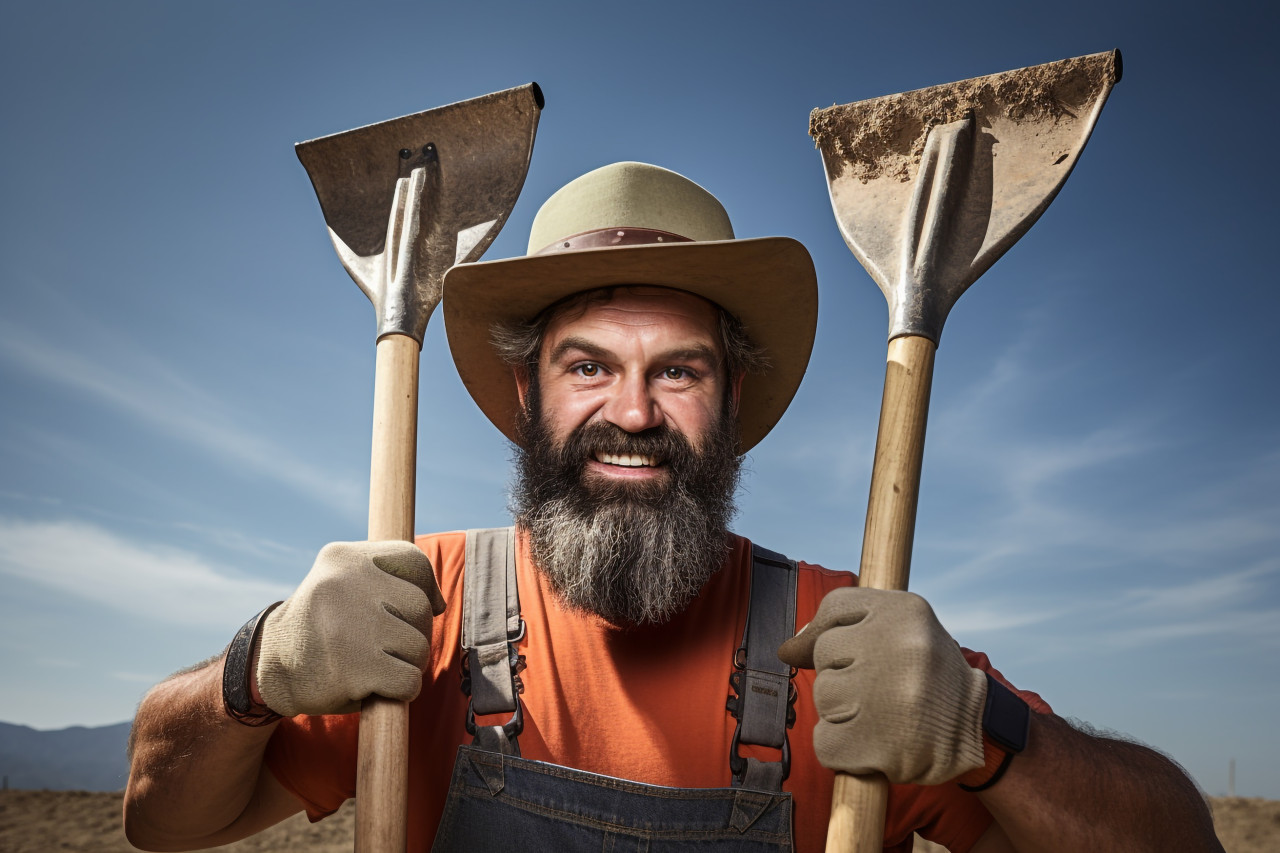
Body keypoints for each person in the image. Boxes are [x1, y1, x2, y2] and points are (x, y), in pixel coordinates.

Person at [124, 162, 1221, 853]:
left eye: (679, 371)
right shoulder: (413, 607)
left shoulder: (849, 636)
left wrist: (988, 730)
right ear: (526, 393)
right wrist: (254, 668)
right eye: (588, 366)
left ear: (731, 399)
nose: (632, 412)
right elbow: (163, 818)